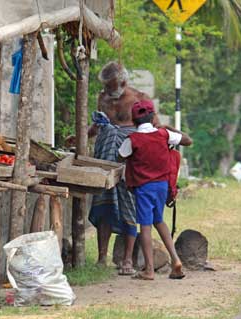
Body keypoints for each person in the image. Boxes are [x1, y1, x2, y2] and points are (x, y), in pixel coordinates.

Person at [119, 99, 193, 280]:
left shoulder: (133, 139)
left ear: (134, 121)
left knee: (145, 227)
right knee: (159, 220)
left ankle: (149, 270)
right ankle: (175, 260)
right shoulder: (164, 134)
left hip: (144, 188)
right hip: (162, 186)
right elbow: (188, 141)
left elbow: (121, 154)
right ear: (153, 118)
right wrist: (168, 127)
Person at [87, 62, 145, 275]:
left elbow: (150, 128)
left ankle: (127, 260)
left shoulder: (139, 98)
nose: (108, 92)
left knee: (129, 206)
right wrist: (84, 134)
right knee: (104, 205)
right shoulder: (102, 98)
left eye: (112, 87)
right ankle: (102, 257)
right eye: (105, 87)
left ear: (123, 82)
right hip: (104, 161)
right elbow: (96, 127)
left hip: (128, 162)